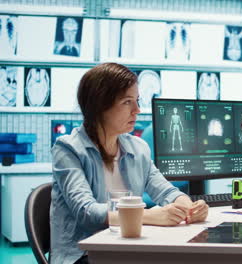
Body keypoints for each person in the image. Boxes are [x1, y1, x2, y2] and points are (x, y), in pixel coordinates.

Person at [50, 63, 208, 264]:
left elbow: (166, 192)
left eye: (137, 101)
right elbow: (86, 212)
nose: (137, 110)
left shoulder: (138, 148)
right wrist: (148, 216)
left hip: (126, 248)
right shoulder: (68, 149)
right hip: (82, 256)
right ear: (100, 105)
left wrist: (190, 207)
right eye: (127, 102)